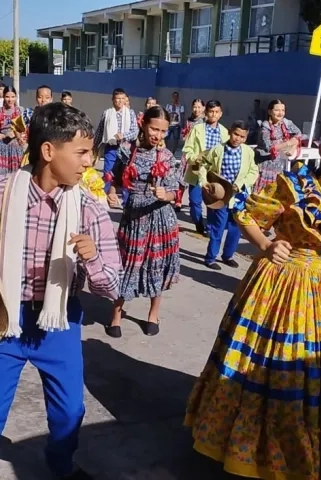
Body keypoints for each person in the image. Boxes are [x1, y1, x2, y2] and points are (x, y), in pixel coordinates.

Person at [186, 115, 321, 479]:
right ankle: (255, 452)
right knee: (269, 374)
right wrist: (267, 244)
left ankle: (315, 455)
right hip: (277, 287)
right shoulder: (293, 184)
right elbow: (245, 212)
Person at [0, 102, 122, 480]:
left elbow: (113, 284)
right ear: (48, 151)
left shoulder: (90, 208)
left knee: (70, 412)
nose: (90, 161)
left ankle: (61, 463)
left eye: (92, 152)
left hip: (59, 321)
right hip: (6, 317)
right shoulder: (4, 194)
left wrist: (92, 259)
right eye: (82, 152)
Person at [107, 106, 181, 338]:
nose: (157, 135)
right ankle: (116, 315)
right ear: (143, 124)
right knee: (127, 264)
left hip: (160, 218)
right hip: (133, 218)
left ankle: (153, 314)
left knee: (156, 265)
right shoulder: (126, 151)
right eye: (154, 128)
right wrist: (111, 192)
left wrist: (165, 195)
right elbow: (115, 179)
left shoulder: (167, 157)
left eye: (163, 131)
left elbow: (174, 191)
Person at [199, 120, 259, 270]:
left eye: (242, 136)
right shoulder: (217, 150)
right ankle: (211, 257)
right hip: (221, 195)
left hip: (239, 197)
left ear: (246, 138)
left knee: (235, 228)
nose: (237, 138)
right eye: (235, 134)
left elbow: (253, 171)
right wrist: (204, 182)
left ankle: (228, 256)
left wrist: (241, 184)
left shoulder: (248, 152)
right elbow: (201, 165)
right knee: (217, 227)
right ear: (230, 132)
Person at [182, 100, 227, 235]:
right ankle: (198, 223)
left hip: (213, 174)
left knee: (212, 203)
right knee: (195, 202)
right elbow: (188, 149)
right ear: (206, 113)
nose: (213, 114)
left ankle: (209, 228)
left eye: (216, 112)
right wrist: (194, 157)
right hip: (197, 170)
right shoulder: (197, 129)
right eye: (211, 111)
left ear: (220, 114)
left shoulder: (225, 132)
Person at [93, 88, 138, 208]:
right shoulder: (107, 113)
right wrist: (94, 147)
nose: (120, 101)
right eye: (117, 99)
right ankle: (106, 199)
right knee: (108, 173)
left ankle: (126, 201)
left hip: (126, 149)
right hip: (111, 148)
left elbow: (135, 131)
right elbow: (100, 131)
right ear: (113, 100)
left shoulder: (131, 113)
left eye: (122, 99)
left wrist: (124, 136)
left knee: (125, 175)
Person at [256, 99, 302, 194]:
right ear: (269, 112)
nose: (280, 113)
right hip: (265, 165)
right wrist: (288, 143)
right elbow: (269, 147)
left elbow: (298, 134)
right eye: (277, 110)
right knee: (263, 193)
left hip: (278, 164)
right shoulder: (265, 127)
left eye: (283, 110)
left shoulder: (286, 123)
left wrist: (293, 147)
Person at [174, 98, 205, 211]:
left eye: (199, 107)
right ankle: (178, 201)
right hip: (187, 153)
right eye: (195, 107)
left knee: (197, 180)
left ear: (203, 108)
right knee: (181, 177)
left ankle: (197, 203)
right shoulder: (189, 120)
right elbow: (185, 133)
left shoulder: (206, 122)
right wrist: (185, 136)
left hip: (199, 155)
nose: (196, 109)